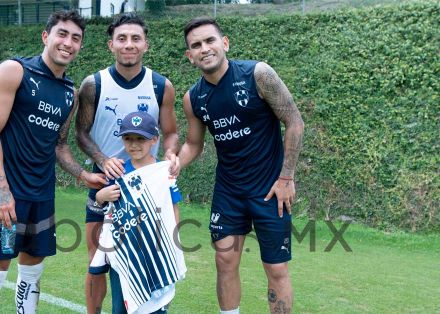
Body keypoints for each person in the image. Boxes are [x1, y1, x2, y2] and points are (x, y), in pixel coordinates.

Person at [0, 10, 106, 314]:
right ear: (46, 36)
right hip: (8, 193)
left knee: (33, 270)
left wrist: (83, 174)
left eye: (76, 38)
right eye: (62, 34)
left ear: (80, 46)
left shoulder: (69, 93)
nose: (68, 42)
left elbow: (58, 145)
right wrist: (1, 189)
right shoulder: (14, 71)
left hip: (42, 193)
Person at [178, 17, 305, 314]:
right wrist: (173, 165)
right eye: (196, 45)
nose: (204, 48)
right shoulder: (193, 97)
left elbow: (295, 122)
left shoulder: (258, 74)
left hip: (271, 190)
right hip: (229, 191)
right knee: (224, 261)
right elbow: (194, 145)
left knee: (276, 268)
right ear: (189, 56)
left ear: (224, 43)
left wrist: (287, 177)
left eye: (210, 41)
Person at [75, 13, 179, 314]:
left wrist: (171, 154)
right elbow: (81, 133)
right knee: (98, 258)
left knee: (150, 254)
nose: (129, 44)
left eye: (135, 38)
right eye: (122, 39)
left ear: (145, 44)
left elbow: (171, 133)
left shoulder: (161, 86)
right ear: (111, 45)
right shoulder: (93, 84)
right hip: (104, 182)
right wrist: (102, 159)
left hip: (147, 183)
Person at [89, 111, 185, 314]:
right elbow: (104, 207)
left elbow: (173, 209)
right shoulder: (118, 171)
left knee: (155, 307)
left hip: (155, 249)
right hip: (124, 250)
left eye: (141, 138)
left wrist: (172, 243)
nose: (134, 145)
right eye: (128, 138)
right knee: (120, 308)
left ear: (154, 140)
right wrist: (101, 196)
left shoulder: (163, 172)